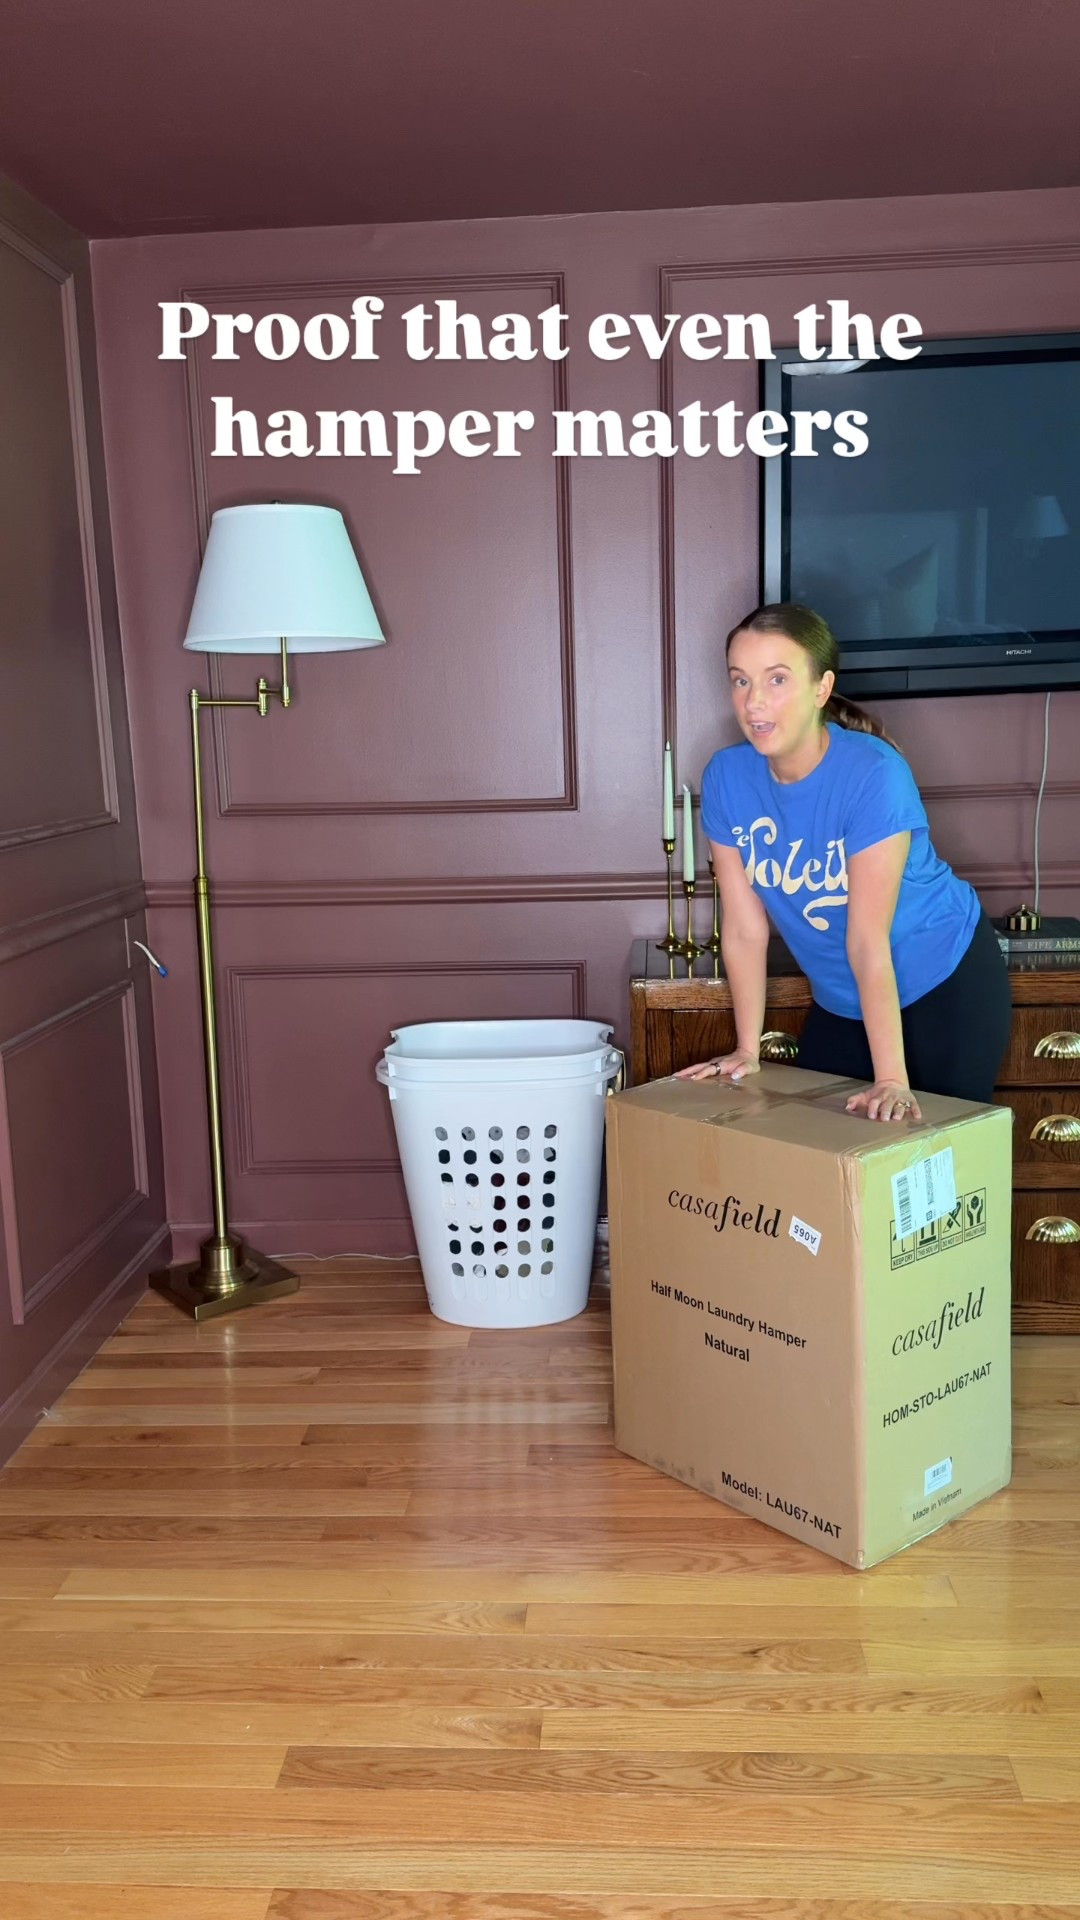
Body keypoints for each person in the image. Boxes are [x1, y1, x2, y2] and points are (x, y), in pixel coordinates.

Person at [677, 602, 1011, 1121]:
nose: (754, 701)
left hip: (942, 979)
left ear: (821, 688)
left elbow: (867, 938)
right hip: (843, 998)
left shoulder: (874, 774)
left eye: (777, 679)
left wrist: (892, 1080)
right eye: (740, 681)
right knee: (820, 1153)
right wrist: (747, 1049)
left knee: (934, 1171)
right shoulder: (726, 778)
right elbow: (744, 929)